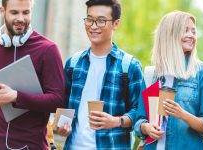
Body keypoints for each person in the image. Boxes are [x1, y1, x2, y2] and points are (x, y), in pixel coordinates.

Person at [0, 0, 65, 149]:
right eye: (14, 12)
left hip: (30, 145)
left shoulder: (48, 50)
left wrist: (17, 96)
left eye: (26, 12)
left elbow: (57, 101)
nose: (21, 19)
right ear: (2, 11)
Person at [57, 0, 144, 149]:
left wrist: (116, 121)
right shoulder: (73, 63)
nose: (93, 26)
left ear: (116, 23)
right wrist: (61, 126)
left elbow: (141, 113)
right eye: (89, 19)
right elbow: (63, 106)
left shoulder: (129, 66)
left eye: (101, 21)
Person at [134, 10, 203, 150]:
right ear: (169, 34)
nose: (191, 35)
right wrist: (146, 128)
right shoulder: (151, 74)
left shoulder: (202, 73)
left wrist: (183, 115)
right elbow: (139, 121)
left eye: (193, 32)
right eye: (185, 30)